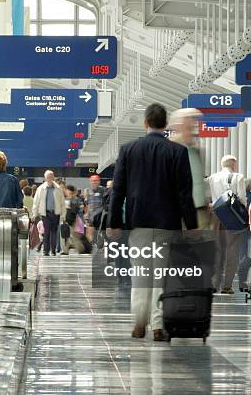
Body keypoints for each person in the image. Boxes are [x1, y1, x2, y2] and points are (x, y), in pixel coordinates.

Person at [107, 103, 197, 342]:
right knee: (161, 277)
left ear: (145, 123)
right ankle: (158, 326)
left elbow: (118, 191)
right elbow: (184, 193)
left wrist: (114, 222)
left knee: (140, 275)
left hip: (139, 224)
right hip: (168, 224)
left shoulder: (129, 150)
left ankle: (139, 324)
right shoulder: (177, 152)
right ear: (165, 124)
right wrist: (192, 225)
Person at [207, 155, 247, 294]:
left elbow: (208, 198)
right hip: (232, 218)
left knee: (216, 249)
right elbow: (242, 199)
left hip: (216, 217)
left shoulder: (212, 178)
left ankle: (213, 283)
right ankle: (227, 286)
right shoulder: (238, 177)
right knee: (232, 250)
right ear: (234, 165)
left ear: (221, 164)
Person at [168, 108, 211, 230]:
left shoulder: (198, 149)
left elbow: (201, 178)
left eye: (195, 121)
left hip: (200, 211)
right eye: (189, 122)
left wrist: (206, 199)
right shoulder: (169, 149)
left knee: (201, 246)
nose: (194, 125)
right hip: (179, 211)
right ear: (177, 125)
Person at [33, 170, 66, 257]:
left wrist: (63, 215)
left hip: (56, 213)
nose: (49, 179)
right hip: (45, 213)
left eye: (51, 177)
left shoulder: (58, 188)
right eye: (48, 177)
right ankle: (46, 251)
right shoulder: (40, 189)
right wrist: (34, 214)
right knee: (46, 232)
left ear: (53, 177)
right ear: (45, 178)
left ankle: (53, 250)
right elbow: (36, 202)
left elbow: (62, 203)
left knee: (54, 232)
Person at [84, 175, 107, 242]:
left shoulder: (103, 190)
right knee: (90, 230)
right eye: (92, 181)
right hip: (91, 215)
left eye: (96, 181)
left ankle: (101, 245)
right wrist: (86, 213)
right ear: (90, 182)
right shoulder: (88, 191)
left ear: (99, 181)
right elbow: (87, 204)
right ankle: (92, 245)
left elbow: (106, 202)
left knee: (100, 231)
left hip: (100, 215)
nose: (94, 182)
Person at [61, 185, 82, 255]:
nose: (66, 191)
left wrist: (70, 208)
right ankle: (65, 250)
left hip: (72, 220)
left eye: (67, 190)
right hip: (66, 219)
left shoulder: (75, 199)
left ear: (70, 191)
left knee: (73, 236)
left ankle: (81, 249)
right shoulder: (65, 199)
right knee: (67, 235)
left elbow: (76, 210)